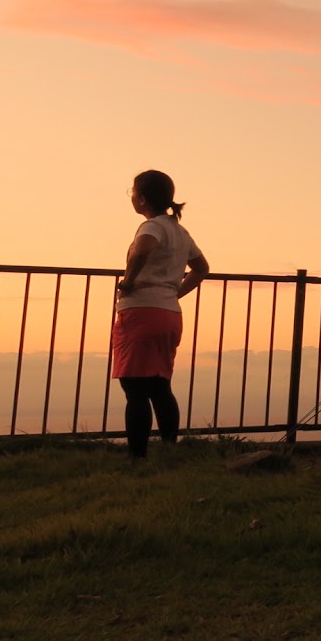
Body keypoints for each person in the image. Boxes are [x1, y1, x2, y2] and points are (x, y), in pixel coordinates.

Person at [112, 170, 209, 459]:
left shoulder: (151, 227)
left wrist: (129, 281)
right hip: (169, 312)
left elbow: (142, 252)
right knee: (159, 386)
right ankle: (169, 449)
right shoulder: (179, 231)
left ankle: (137, 457)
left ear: (141, 198)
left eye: (132, 191)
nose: (131, 196)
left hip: (141, 311)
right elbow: (202, 268)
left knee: (135, 388)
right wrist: (174, 291)